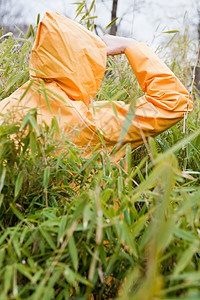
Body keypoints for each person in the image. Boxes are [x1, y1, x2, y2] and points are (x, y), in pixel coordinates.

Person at [0, 12, 193, 161]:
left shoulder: (7, 107)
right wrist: (131, 46)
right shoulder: (89, 121)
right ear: (85, 64)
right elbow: (174, 101)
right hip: (89, 213)